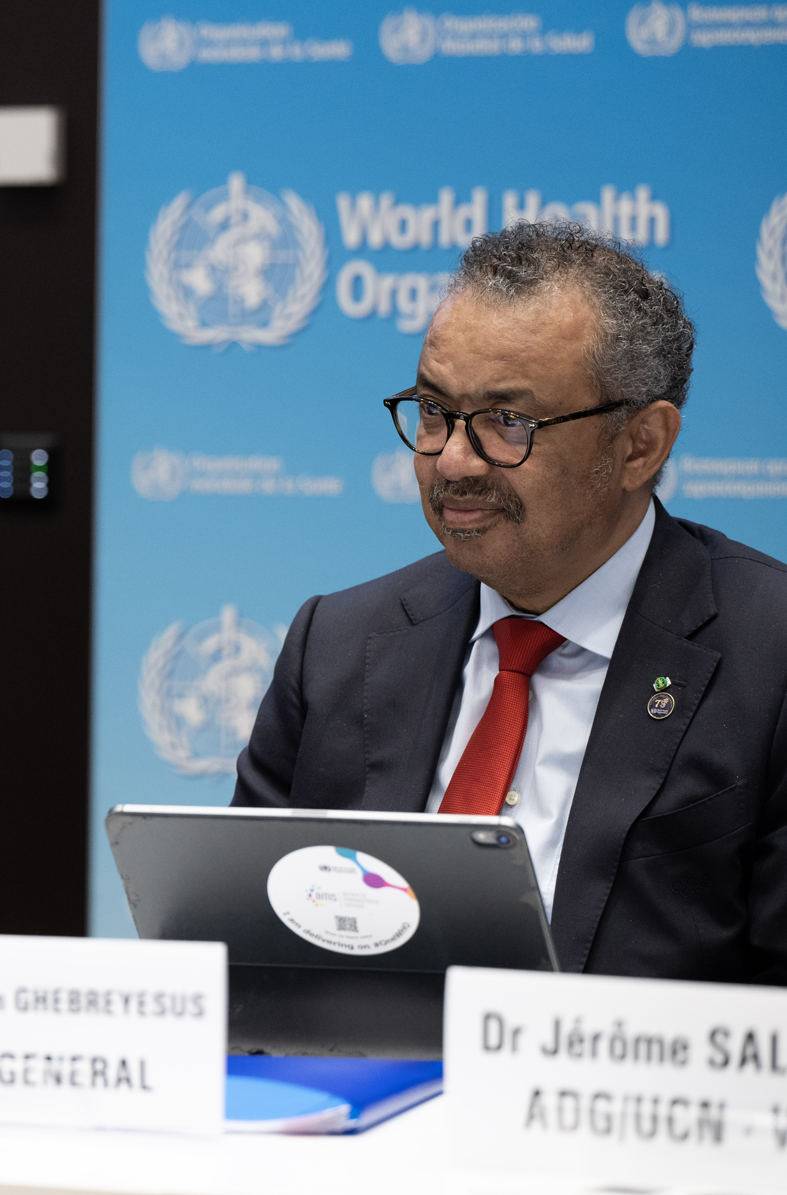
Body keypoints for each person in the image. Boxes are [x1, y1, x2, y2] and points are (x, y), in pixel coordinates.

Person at [233, 223, 787, 985]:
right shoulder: (335, 644)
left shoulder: (771, 655)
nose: (453, 461)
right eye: (433, 411)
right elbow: (243, 957)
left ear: (640, 446)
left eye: (508, 422)